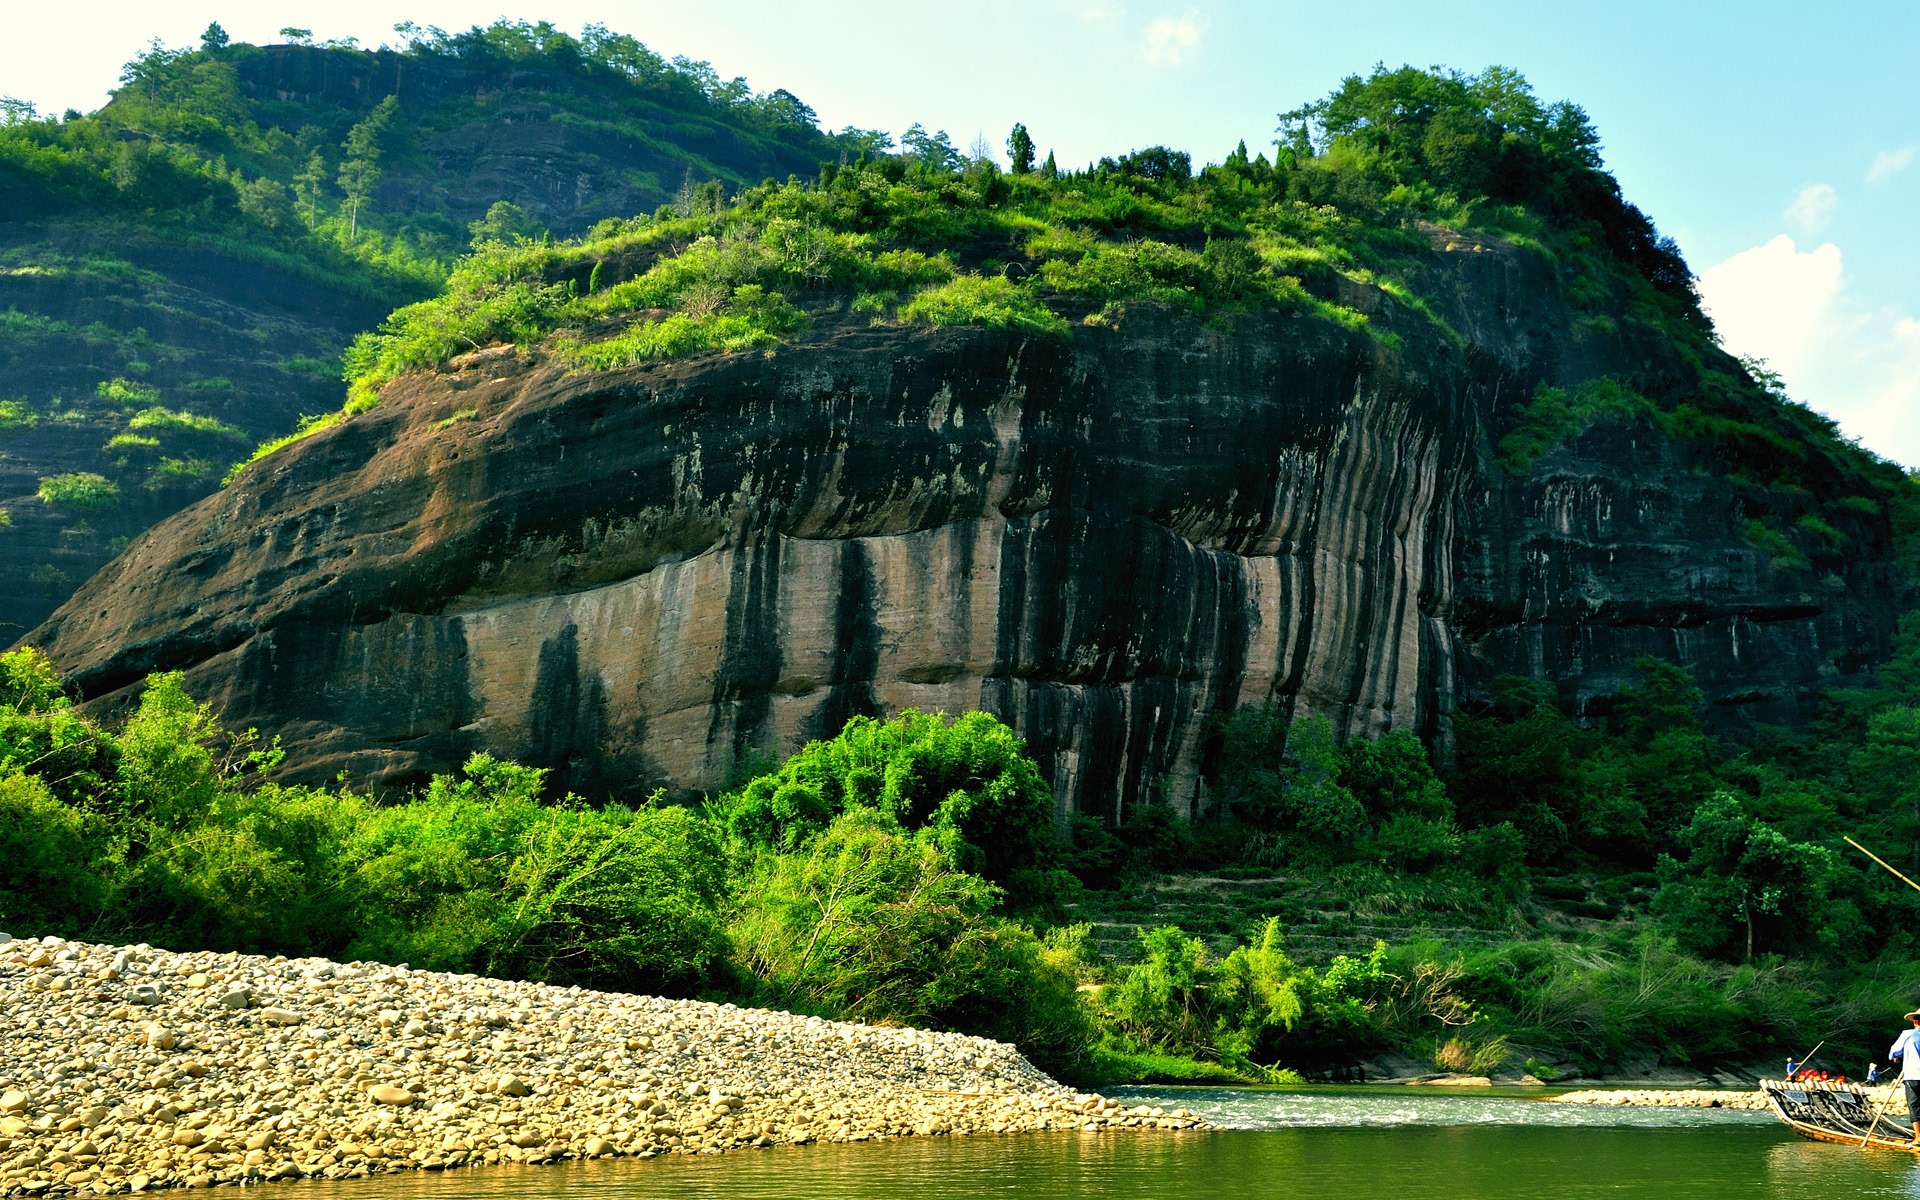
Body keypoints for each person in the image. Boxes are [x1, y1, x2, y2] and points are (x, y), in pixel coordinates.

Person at [1888, 1009, 1920, 1144]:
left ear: (1915, 1021)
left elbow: (1894, 1052)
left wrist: (1896, 1057)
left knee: (1915, 1105)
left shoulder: (1908, 1034)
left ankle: (1918, 1138)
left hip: (1914, 1074)